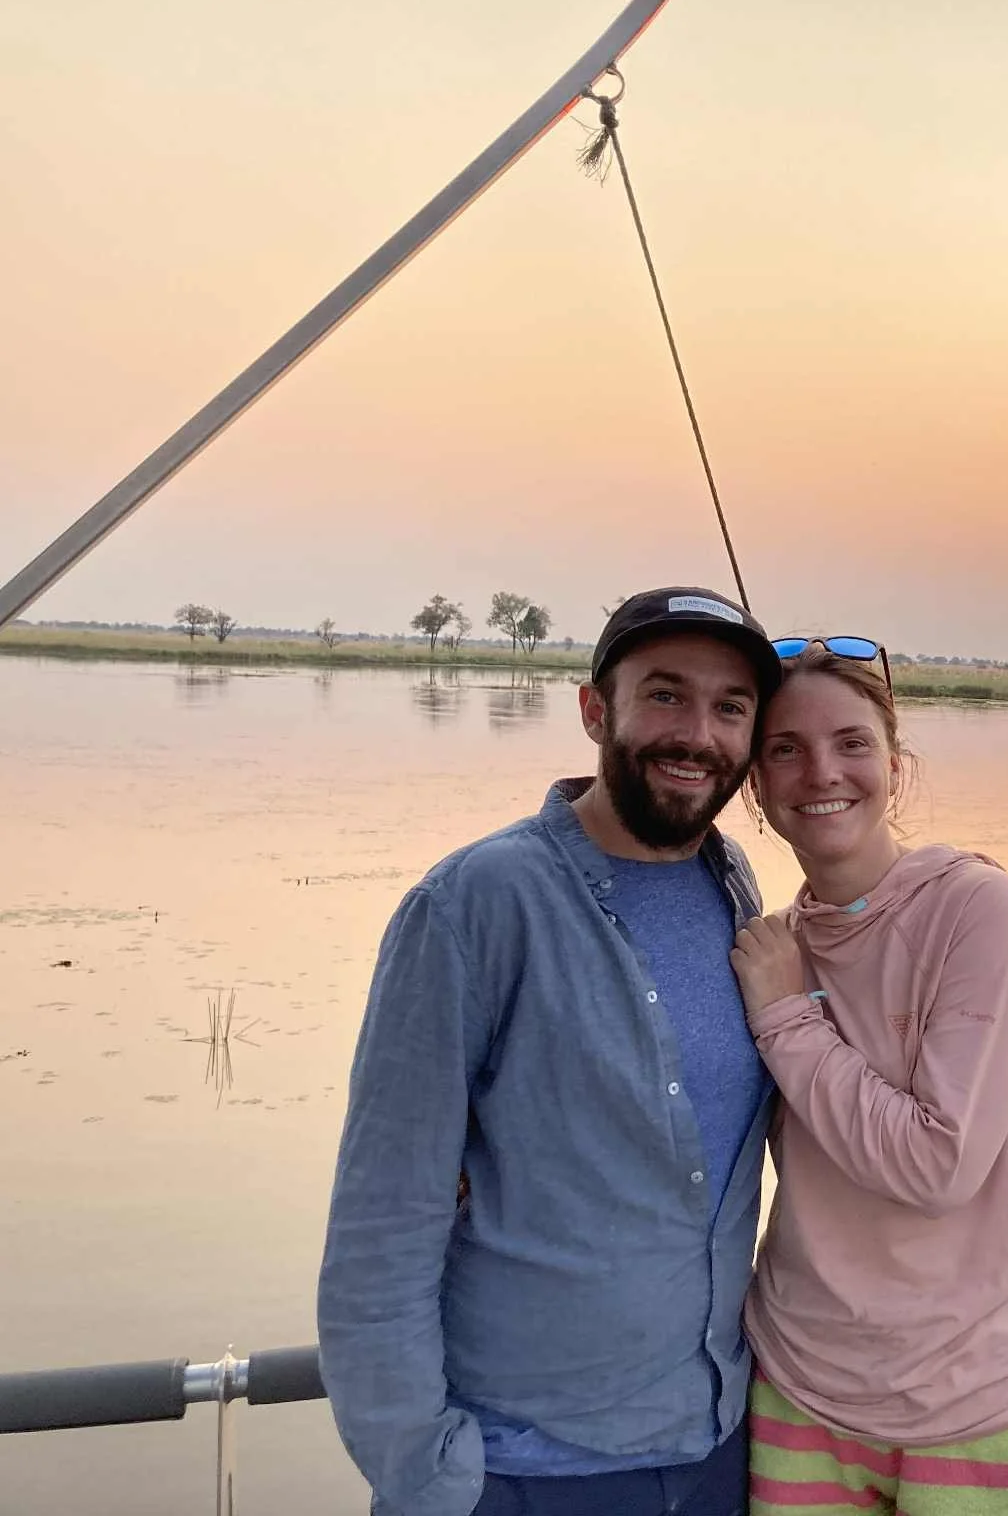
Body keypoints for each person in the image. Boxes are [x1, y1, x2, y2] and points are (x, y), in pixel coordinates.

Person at [318, 587, 784, 1516]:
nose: (698, 733)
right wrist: (425, 1475)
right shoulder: (473, 906)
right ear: (593, 709)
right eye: (664, 695)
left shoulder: (733, 884)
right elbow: (383, 1223)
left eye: (730, 707)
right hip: (523, 1470)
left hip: (717, 1447)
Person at [729, 637, 1008, 1516]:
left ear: (895, 764)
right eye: (786, 748)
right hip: (801, 1389)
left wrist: (787, 1019)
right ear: (757, 787)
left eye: (851, 743)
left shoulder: (977, 911)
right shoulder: (770, 949)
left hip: (982, 1402)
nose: (823, 771)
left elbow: (939, 1165)